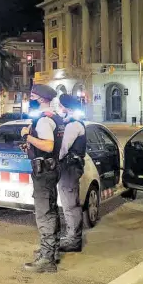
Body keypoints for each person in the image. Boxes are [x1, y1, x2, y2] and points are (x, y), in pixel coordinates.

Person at [19, 84, 65, 273]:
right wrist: (31, 147)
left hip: (44, 172)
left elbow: (47, 145)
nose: (29, 98)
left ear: (39, 99)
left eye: (31, 96)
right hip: (51, 168)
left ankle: (46, 259)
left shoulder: (44, 120)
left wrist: (27, 137)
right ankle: (51, 251)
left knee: (44, 213)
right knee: (51, 210)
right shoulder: (55, 117)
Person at [57, 94, 86, 253]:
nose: (59, 107)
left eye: (60, 105)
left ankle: (73, 240)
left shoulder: (73, 125)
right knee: (69, 203)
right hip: (71, 167)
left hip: (69, 168)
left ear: (65, 106)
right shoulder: (72, 122)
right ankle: (71, 237)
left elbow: (63, 149)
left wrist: (54, 160)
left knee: (70, 205)